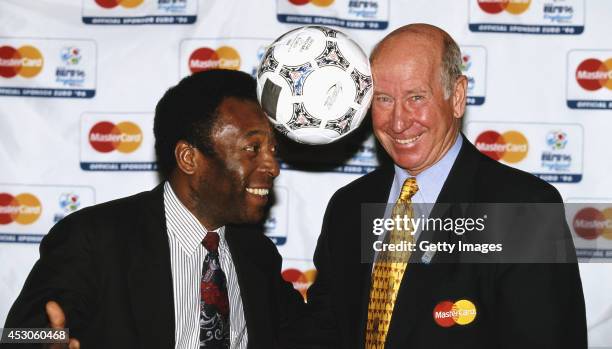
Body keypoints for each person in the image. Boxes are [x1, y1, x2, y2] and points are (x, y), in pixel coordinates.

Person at [303, 23, 588, 348]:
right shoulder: (348, 206)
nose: (398, 121)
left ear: (458, 97)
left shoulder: (524, 210)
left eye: (416, 97)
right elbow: (323, 331)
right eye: (383, 99)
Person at [3, 69, 304, 349]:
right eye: (253, 149)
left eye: (273, 150)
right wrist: (46, 341)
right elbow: (17, 335)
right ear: (188, 158)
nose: (273, 166)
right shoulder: (94, 239)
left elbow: (309, 335)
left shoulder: (257, 254)